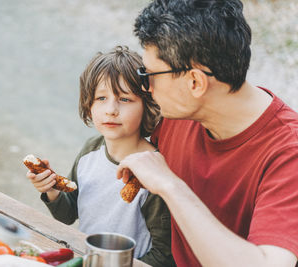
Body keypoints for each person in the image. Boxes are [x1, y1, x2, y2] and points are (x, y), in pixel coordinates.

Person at [116, 1, 298, 266]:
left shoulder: (289, 153)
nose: (147, 88)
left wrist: (171, 186)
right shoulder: (176, 114)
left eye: (149, 76)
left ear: (195, 82)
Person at [27, 46, 175, 266]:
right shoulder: (90, 152)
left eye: (125, 99)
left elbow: (164, 255)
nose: (111, 110)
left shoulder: (153, 171)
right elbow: (69, 213)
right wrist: (51, 190)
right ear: (88, 106)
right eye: (101, 98)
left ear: (147, 105)